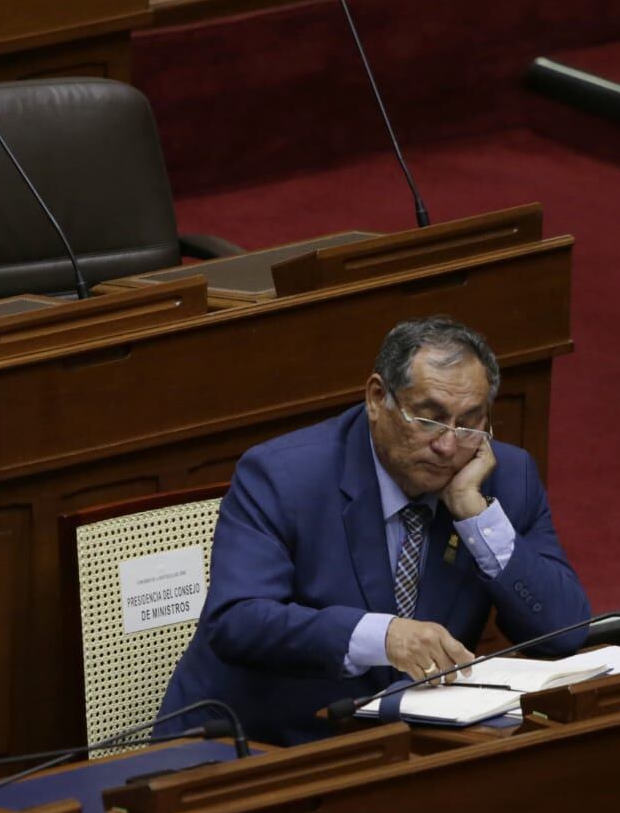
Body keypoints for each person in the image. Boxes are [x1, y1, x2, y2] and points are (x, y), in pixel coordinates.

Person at [160, 315, 590, 745]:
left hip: (406, 750)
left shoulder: (504, 478)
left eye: (469, 423)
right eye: (429, 420)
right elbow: (237, 619)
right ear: (377, 398)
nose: (448, 446)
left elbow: (564, 629)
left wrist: (475, 516)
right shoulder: (282, 476)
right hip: (255, 748)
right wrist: (380, 636)